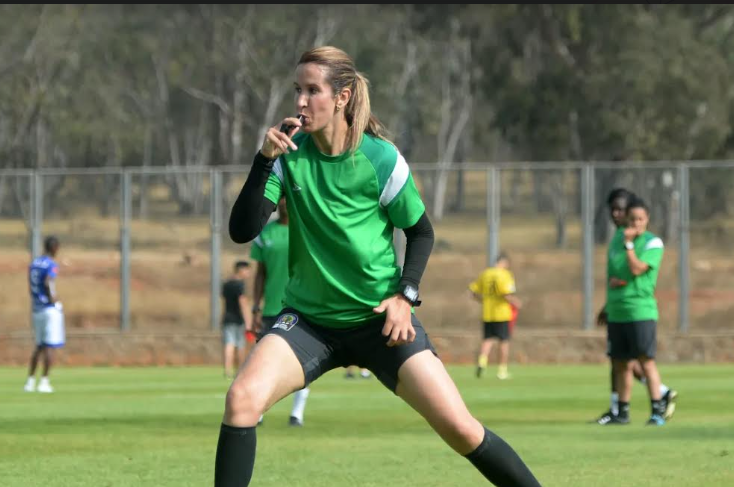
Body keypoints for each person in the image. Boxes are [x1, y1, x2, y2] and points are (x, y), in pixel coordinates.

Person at [216, 46, 542, 487]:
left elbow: (421, 233)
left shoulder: (381, 158)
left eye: (312, 91)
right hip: (308, 322)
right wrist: (263, 160)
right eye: (297, 90)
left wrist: (405, 297)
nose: (300, 102)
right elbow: (242, 230)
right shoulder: (289, 156)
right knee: (241, 400)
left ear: (342, 97)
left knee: (461, 429)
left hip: (379, 323)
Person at [594, 190, 676, 424]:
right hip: (618, 310)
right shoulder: (616, 240)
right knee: (621, 363)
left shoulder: (652, 242)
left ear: (647, 219)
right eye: (632, 219)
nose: (635, 223)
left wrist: (629, 245)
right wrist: (608, 303)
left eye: (640, 219)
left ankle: (657, 410)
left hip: (640, 310)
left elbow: (637, 269)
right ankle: (622, 412)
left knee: (645, 361)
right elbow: (615, 275)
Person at [250, 195, 310, 427]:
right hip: (271, 309)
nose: (284, 202)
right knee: (262, 361)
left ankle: (297, 414)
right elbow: (260, 274)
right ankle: (258, 411)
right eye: (281, 198)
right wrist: (256, 306)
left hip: (300, 307)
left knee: (302, 362)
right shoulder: (265, 234)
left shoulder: (307, 230)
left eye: (288, 198)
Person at [469, 253, 521, 380]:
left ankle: (482, 362)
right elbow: (506, 293)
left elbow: (473, 292)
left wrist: (482, 301)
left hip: (487, 312)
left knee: (487, 340)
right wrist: (516, 302)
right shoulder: (505, 275)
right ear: (504, 262)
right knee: (503, 341)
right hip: (502, 313)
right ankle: (502, 370)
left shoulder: (485, 274)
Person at [24, 236, 65, 393]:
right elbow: (48, 282)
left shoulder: (34, 263)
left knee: (39, 346)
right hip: (48, 309)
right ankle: (44, 382)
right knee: (50, 346)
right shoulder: (51, 264)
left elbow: (30, 287)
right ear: (54, 247)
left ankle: (30, 382)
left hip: (37, 308)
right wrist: (53, 300)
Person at [222, 261, 253, 378]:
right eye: (247, 271)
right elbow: (243, 303)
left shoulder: (226, 284)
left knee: (229, 344)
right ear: (241, 270)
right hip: (239, 319)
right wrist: (248, 322)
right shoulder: (240, 285)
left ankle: (227, 370)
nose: (248, 274)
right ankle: (240, 370)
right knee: (240, 344)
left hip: (227, 318)